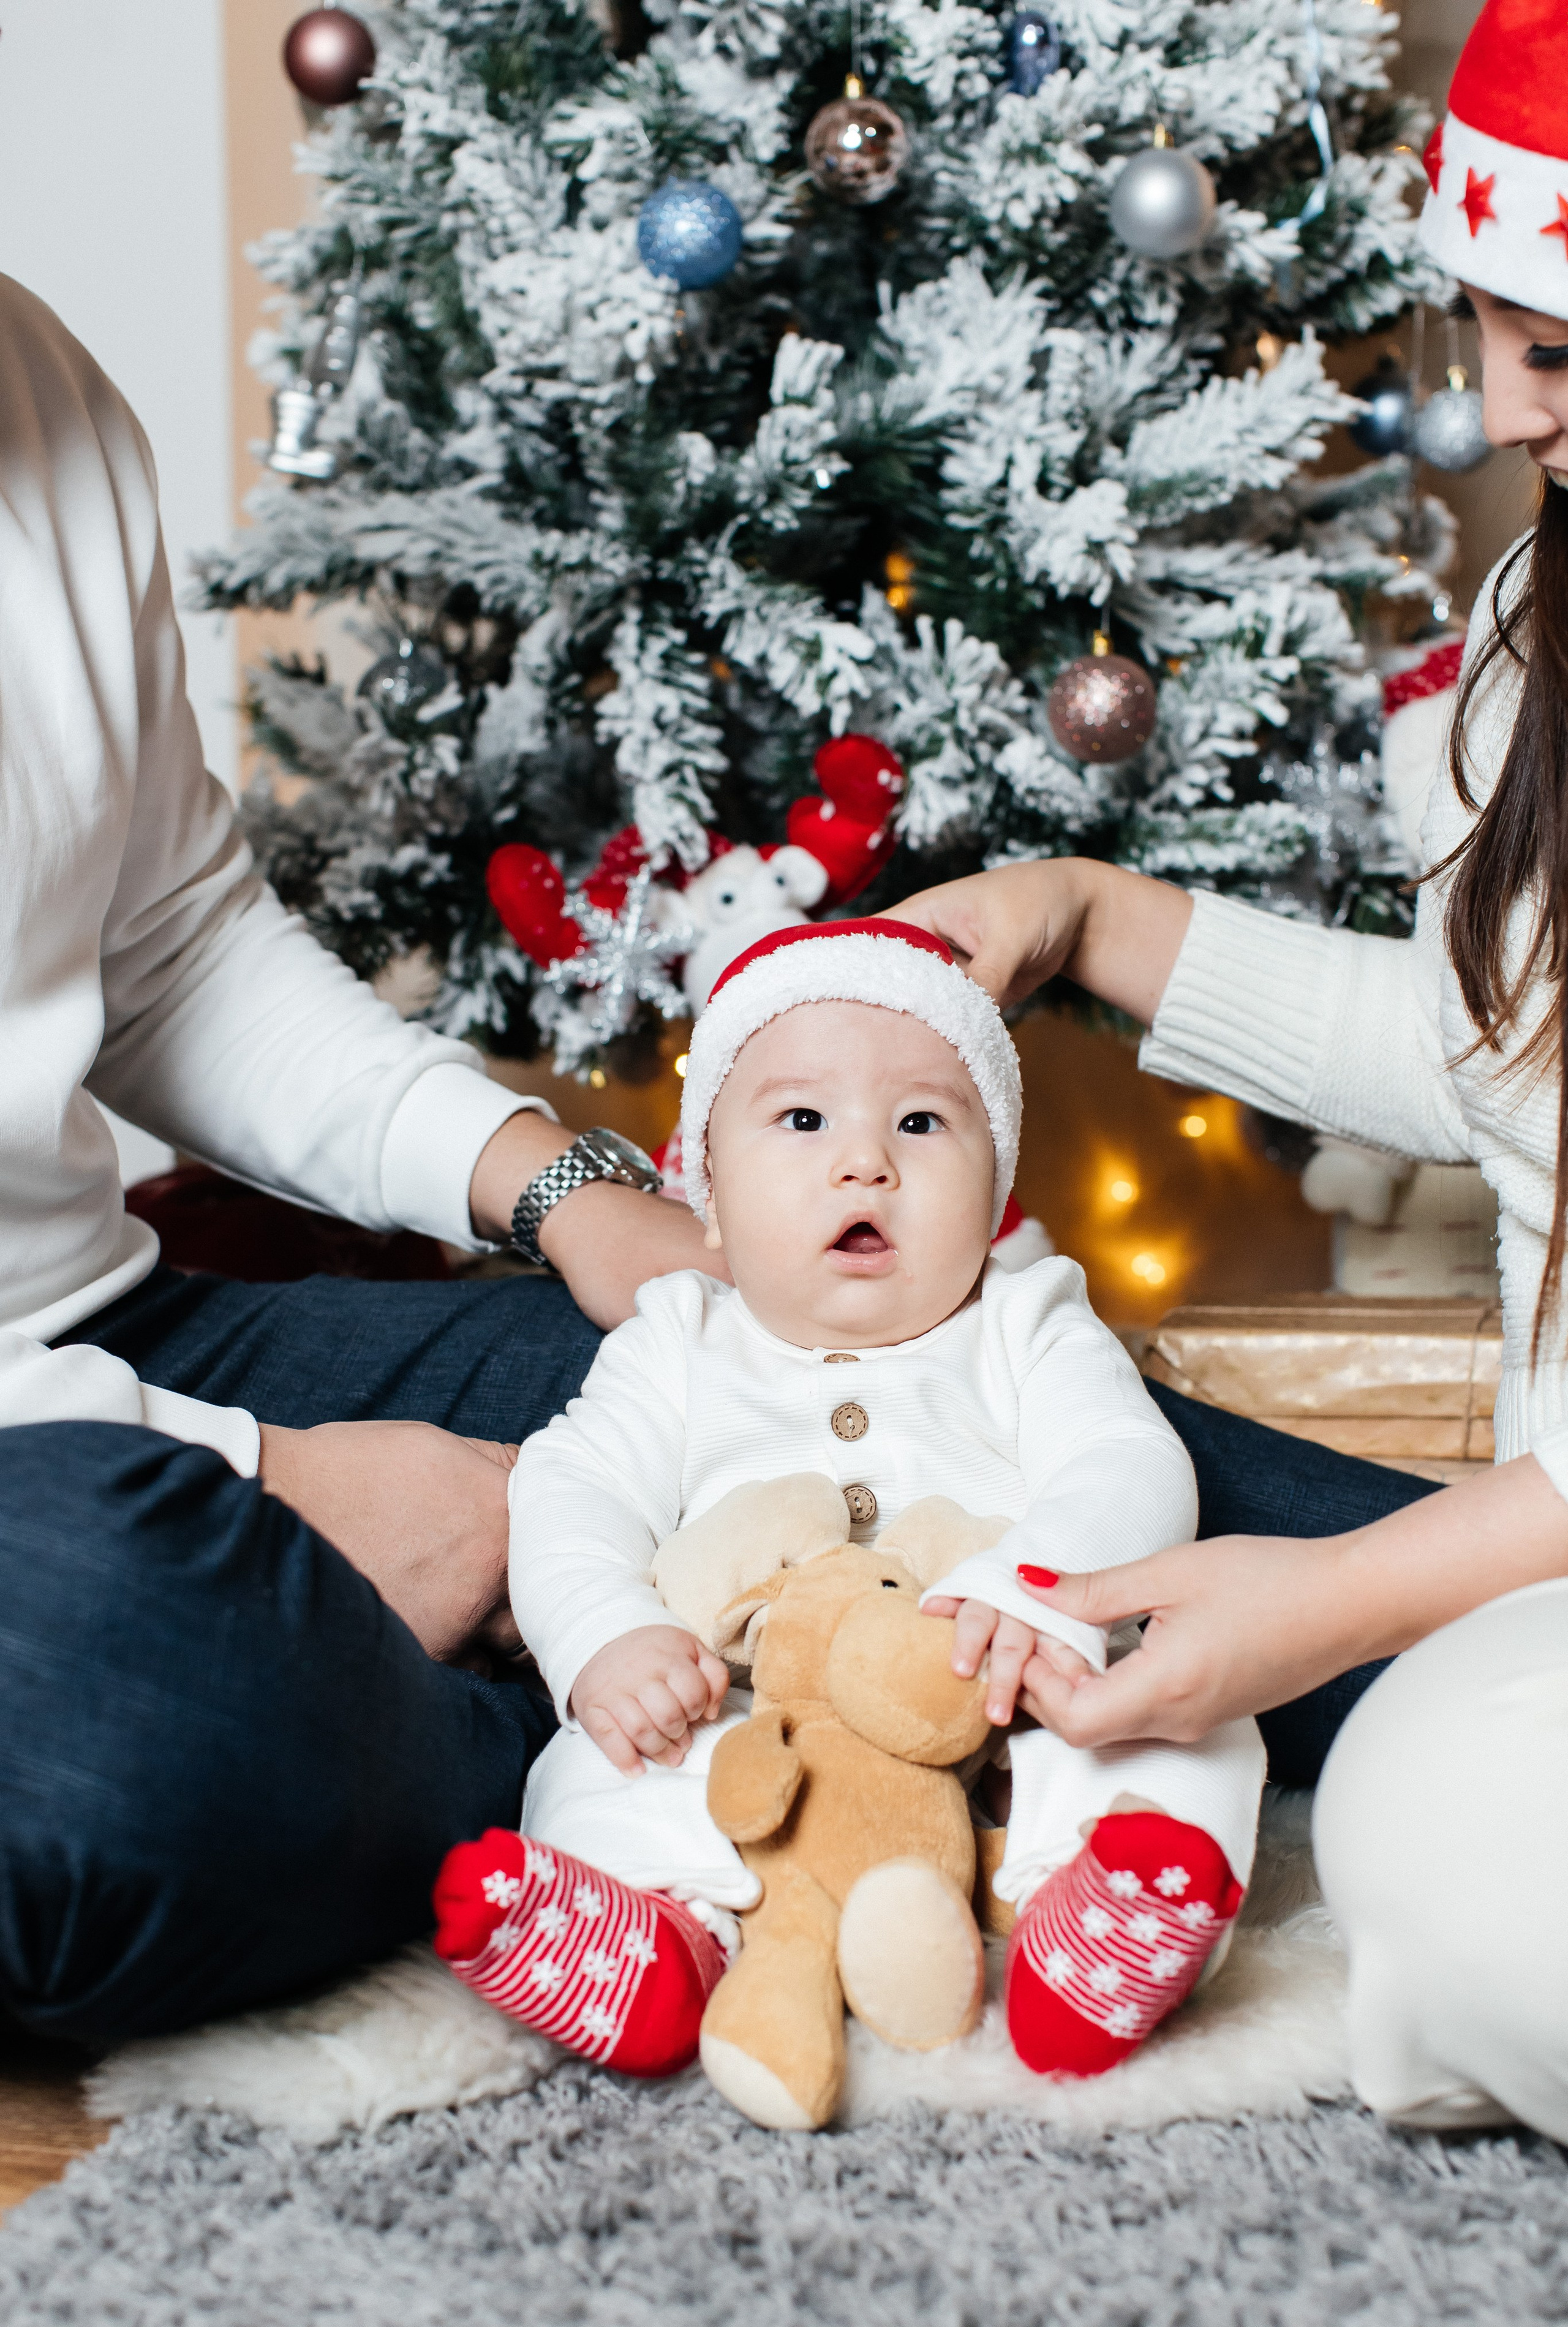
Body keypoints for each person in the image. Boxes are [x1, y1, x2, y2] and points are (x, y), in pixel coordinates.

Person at [884, 0, 1568, 2142]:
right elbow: (1501, 1066)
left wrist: (1340, 1603)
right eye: (1549, 352)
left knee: (1441, 1864)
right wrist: (1084, 917)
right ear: (1473, 323)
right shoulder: (1517, 670)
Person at [0, 272, 723, 2046]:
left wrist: (559, 1186)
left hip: (116, 1340)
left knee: (816, 1371)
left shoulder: (39, 389)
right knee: (112, 1711)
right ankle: (675, 1784)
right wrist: (292, 1484)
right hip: (79, 1521)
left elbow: (165, 944)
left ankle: (1478, 1622)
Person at [431, 918, 1267, 2095]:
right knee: (597, 1765)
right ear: (709, 1196)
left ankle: (1099, 1916)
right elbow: (575, 1489)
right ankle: (657, 1940)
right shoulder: (679, 1337)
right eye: (804, 1120)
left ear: (997, 1193)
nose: (865, 1162)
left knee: (1195, 1726)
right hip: (743, 1717)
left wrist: (1039, 1596)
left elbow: (1126, 1462)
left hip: (1005, 1687)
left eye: (922, 1123)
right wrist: (606, 1639)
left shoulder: (1030, 1322)